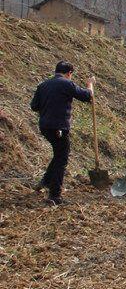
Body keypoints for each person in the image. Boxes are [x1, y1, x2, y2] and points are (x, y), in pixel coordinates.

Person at [29, 61, 95, 205]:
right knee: (62, 159)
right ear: (69, 73)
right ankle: (54, 195)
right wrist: (90, 84)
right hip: (59, 127)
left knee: (59, 154)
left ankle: (45, 181)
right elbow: (87, 96)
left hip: (45, 126)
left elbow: (34, 106)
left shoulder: (43, 85)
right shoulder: (66, 84)